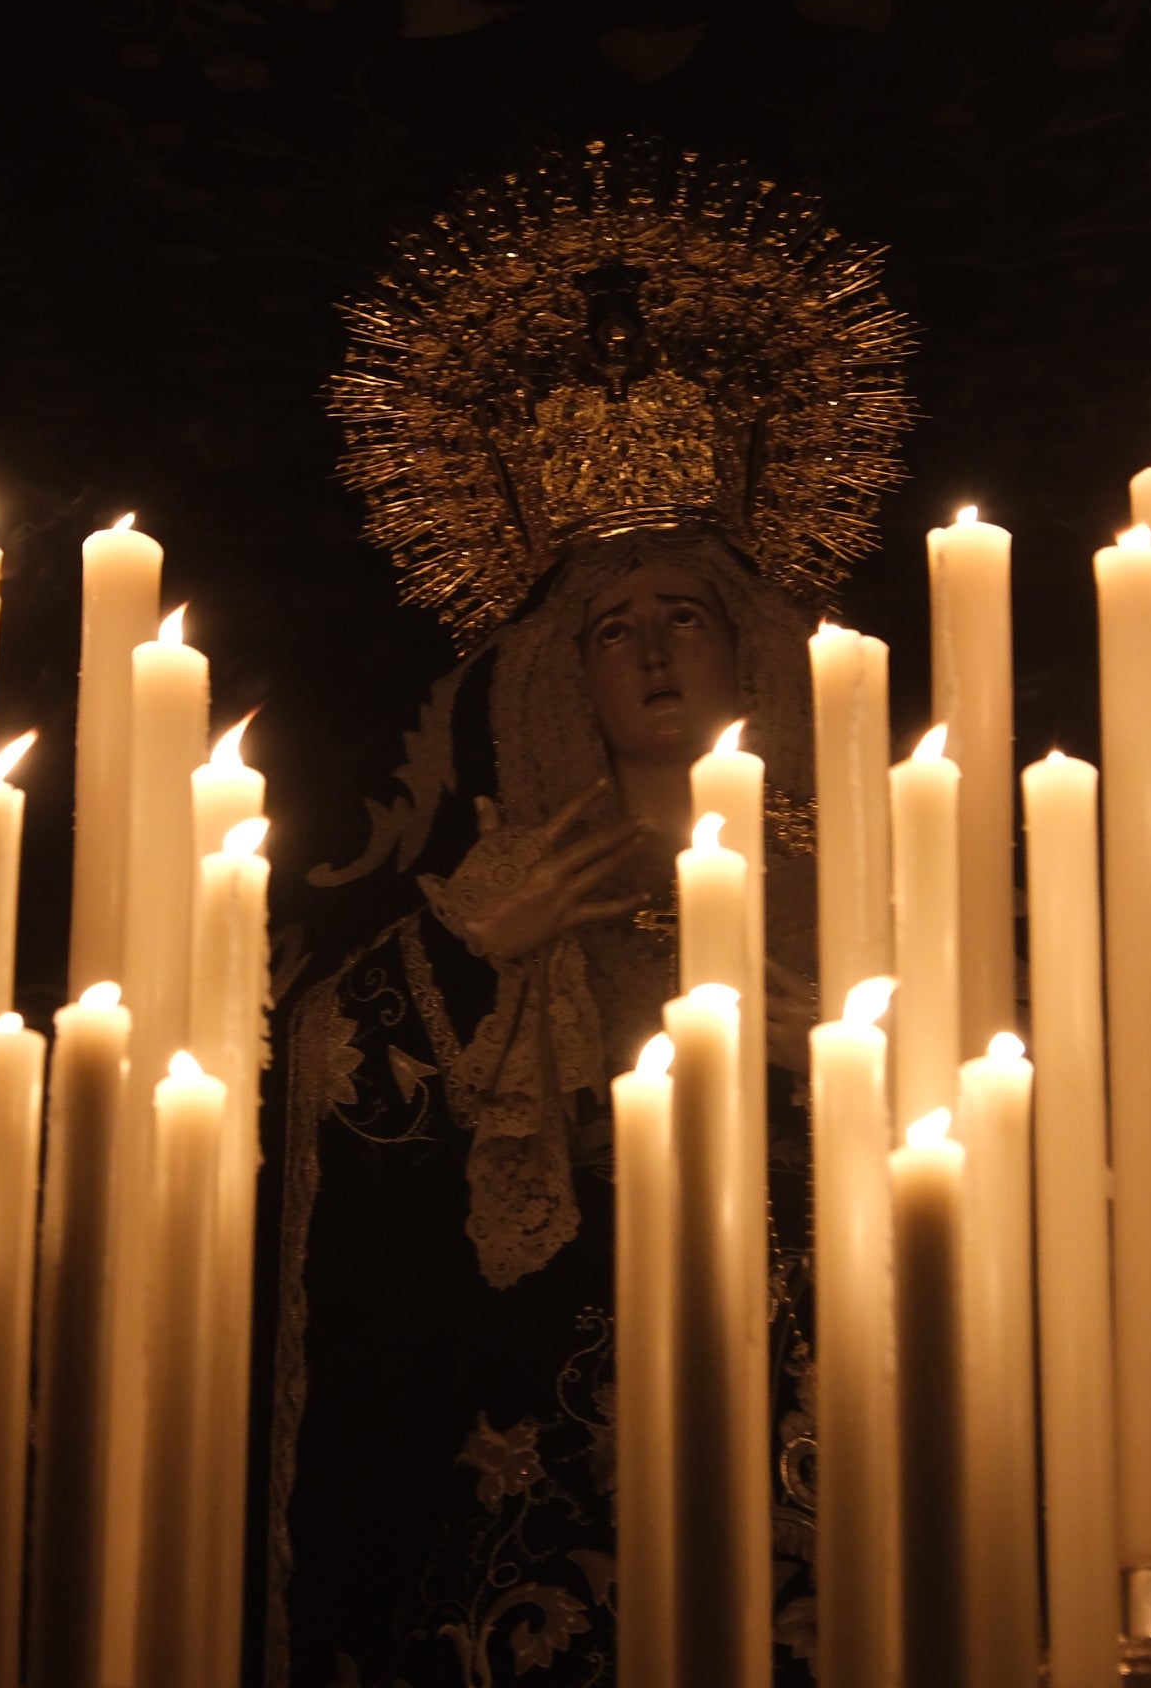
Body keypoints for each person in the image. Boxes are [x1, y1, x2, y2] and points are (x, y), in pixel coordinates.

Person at [265, 529, 825, 1688]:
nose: (653, 652)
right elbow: (337, 1074)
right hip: (553, 1411)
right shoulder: (508, 884)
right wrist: (472, 954)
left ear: (747, 650)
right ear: (568, 681)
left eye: (685, 617)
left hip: (817, 1386)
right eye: (613, 631)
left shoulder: (867, 876)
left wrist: (845, 1055)